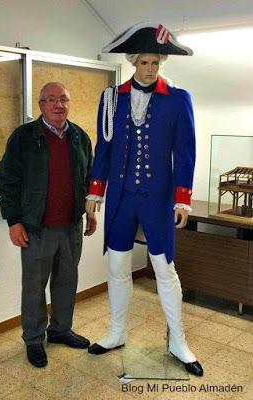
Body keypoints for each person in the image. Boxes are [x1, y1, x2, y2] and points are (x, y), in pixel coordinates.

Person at [85, 22, 203, 376]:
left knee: (164, 269)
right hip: (121, 197)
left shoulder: (179, 99)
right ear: (133, 62)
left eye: (156, 63)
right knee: (118, 266)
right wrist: (95, 190)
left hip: (157, 197)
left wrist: (183, 198)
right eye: (144, 63)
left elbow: (186, 152)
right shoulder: (111, 99)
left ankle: (178, 340)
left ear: (162, 63)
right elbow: (103, 148)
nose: (150, 69)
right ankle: (117, 332)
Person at [0, 82, 96, 368]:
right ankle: (34, 339)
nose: (58, 105)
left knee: (67, 282)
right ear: (40, 105)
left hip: (71, 226)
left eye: (63, 99)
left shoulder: (79, 136)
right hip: (36, 227)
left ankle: (61, 330)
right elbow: (7, 180)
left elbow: (88, 178)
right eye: (50, 99)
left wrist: (90, 212)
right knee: (34, 287)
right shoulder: (24, 137)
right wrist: (14, 221)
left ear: (69, 103)